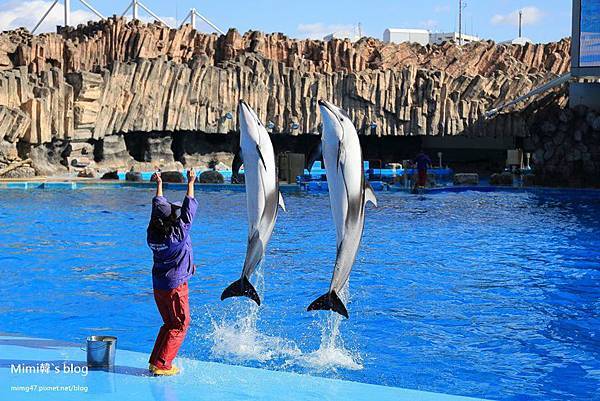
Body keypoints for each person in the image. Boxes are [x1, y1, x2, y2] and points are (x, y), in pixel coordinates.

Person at [147, 169, 198, 376]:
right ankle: (162, 365)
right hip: (175, 287)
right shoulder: (177, 236)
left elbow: (157, 205)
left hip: (159, 285)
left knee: (169, 323)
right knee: (180, 324)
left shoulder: (153, 233)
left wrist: (159, 183)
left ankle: (156, 361)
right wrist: (191, 182)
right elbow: (189, 211)